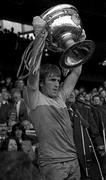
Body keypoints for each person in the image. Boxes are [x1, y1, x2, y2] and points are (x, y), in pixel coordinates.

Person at [23, 16, 85, 180]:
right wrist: (39, 38)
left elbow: (76, 71)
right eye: (52, 80)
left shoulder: (60, 97)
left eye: (58, 80)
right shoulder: (34, 98)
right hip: (52, 164)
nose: (57, 84)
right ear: (41, 83)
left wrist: (75, 46)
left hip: (73, 160)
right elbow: (34, 70)